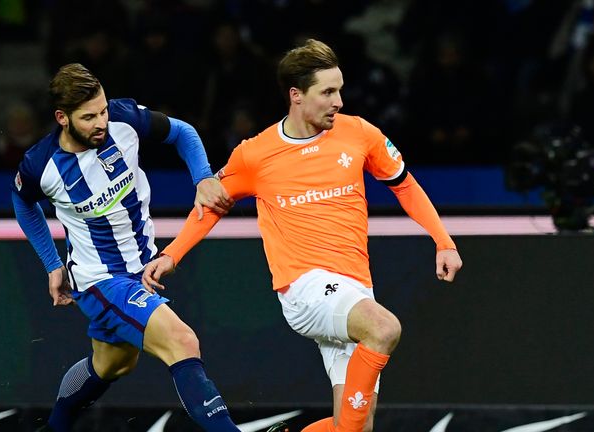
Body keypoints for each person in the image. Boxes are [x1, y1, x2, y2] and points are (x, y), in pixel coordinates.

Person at [143, 39, 463, 432]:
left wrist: (443, 241)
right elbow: (210, 206)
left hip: (356, 289)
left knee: (354, 428)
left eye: (340, 89)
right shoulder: (256, 154)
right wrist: (171, 255)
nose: (339, 101)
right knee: (384, 329)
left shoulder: (359, 134)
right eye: (327, 92)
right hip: (306, 289)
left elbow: (404, 184)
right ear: (296, 95)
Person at [10, 63, 256, 432]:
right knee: (182, 341)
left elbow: (183, 133)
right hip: (99, 280)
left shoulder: (124, 119)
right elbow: (22, 202)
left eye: (103, 110)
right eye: (89, 116)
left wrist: (203, 177)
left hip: (141, 267)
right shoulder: (40, 165)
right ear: (62, 118)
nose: (101, 123)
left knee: (112, 364)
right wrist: (51, 263)